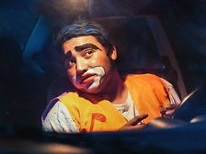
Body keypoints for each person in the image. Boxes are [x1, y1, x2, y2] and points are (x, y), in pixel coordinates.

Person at [41, 18, 180, 133]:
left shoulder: (158, 85)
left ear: (112, 52)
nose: (80, 68)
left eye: (88, 53)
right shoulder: (63, 114)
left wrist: (178, 121)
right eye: (71, 62)